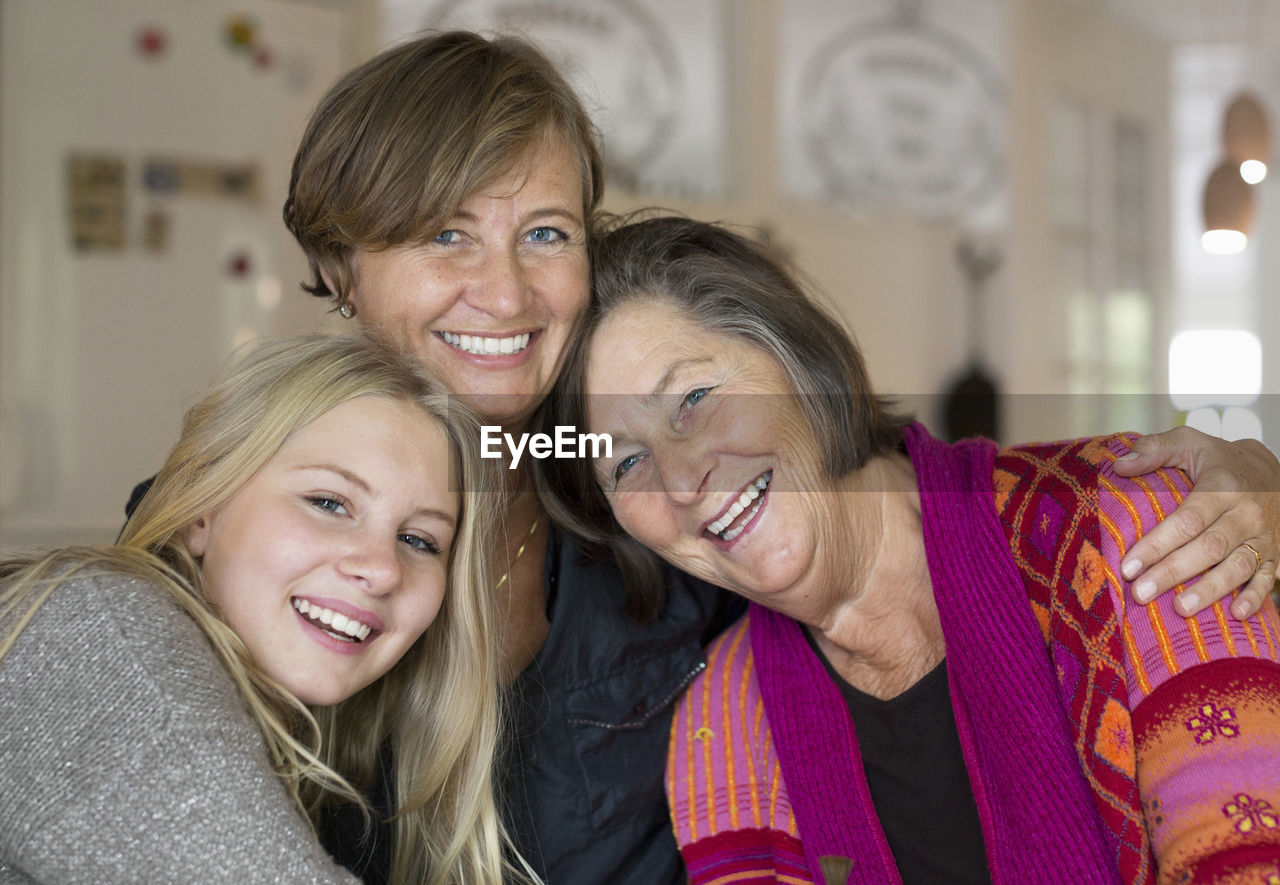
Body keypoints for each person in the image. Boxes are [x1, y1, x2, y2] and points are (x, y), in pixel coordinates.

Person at [270, 30, 1280, 884]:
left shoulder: (1124, 534)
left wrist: (1251, 478)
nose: (502, 293)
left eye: (542, 232)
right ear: (335, 271)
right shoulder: (721, 691)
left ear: (796, 358)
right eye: (444, 234)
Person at [536, 213, 1280, 883]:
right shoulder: (721, 721)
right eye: (624, 463)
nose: (681, 479)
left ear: (794, 360)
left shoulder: (1132, 524)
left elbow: (1248, 855)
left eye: (692, 400)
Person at [2, 334, 518, 885]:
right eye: (328, 503)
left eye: (419, 541)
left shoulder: (316, 743)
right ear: (203, 507)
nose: (383, 568)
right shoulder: (99, 631)